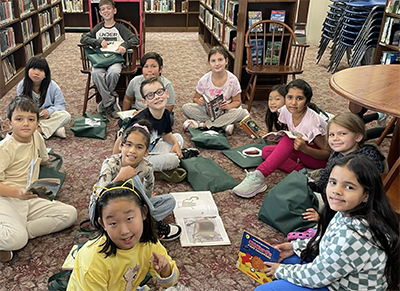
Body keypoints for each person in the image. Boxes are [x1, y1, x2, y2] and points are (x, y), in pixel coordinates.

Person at [255, 155, 400, 291]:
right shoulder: (350, 212)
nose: (336, 191)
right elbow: (328, 240)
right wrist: (295, 246)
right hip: (337, 276)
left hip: (339, 286)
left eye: (349, 187)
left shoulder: (352, 237)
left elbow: (316, 275)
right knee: (287, 259)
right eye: (333, 182)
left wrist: (280, 271)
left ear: (366, 195)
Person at [287, 112, 387, 241]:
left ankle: (322, 229)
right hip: (332, 196)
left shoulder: (363, 162)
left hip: (351, 209)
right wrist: (314, 187)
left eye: (342, 134)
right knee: (295, 192)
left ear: (358, 137)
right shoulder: (338, 152)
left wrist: (323, 216)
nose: (335, 138)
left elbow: (356, 200)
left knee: (300, 210)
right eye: (331, 134)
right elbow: (326, 177)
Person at [0, 96, 77, 263]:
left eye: (31, 119)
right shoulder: (5, 148)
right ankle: (15, 235)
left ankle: (18, 231)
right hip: (6, 198)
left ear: (37, 123)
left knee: (70, 214)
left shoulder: (37, 137)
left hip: (28, 197)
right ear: (9, 122)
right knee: (17, 239)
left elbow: (44, 160)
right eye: (19, 119)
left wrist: (46, 183)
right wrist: (16, 192)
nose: (26, 123)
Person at [67, 179, 179, 290]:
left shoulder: (148, 243)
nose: (124, 231)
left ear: (144, 212)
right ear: (103, 224)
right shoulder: (92, 263)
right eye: (113, 223)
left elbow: (169, 283)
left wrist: (166, 270)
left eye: (129, 218)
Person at [233, 79, 331, 198]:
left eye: (299, 99)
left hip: (319, 160)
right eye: (290, 97)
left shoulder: (312, 121)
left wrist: (305, 149)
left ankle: (259, 175)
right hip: (302, 153)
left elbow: (328, 154)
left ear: (307, 101)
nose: (293, 103)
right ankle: (303, 171)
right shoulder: (286, 110)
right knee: (266, 152)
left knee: (290, 139)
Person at [90, 119, 182, 241]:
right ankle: (149, 226)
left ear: (146, 152)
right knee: (132, 179)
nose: (132, 150)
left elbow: (149, 185)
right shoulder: (110, 163)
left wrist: (147, 198)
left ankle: (141, 226)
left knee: (170, 201)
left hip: (129, 208)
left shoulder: (147, 166)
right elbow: (100, 196)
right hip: (102, 212)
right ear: (121, 146)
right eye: (128, 144)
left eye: (139, 147)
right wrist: (120, 179)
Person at [80, 0, 140, 118]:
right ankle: (111, 101)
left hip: (115, 59)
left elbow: (135, 39)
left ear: (114, 10)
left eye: (108, 8)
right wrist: (97, 42)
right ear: (100, 13)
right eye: (103, 9)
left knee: (113, 73)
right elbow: (83, 38)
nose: (106, 11)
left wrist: (124, 45)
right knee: (96, 73)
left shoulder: (120, 28)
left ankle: (105, 101)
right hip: (100, 59)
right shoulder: (98, 29)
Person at [113, 77, 184, 173]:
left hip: (150, 148)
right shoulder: (141, 121)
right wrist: (115, 164)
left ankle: (151, 170)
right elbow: (121, 140)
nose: (157, 97)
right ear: (144, 102)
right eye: (150, 95)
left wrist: (175, 144)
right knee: (173, 160)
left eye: (159, 92)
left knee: (178, 138)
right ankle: (143, 170)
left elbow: (166, 134)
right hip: (136, 156)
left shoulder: (166, 113)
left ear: (166, 93)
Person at [181, 46, 246, 135]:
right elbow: (195, 98)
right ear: (209, 63)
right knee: (186, 107)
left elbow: (237, 101)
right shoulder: (204, 80)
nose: (217, 64)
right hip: (208, 111)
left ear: (226, 61)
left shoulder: (233, 80)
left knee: (239, 113)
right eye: (213, 61)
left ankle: (202, 125)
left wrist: (229, 106)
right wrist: (199, 101)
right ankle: (223, 125)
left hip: (224, 111)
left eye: (220, 60)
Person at [16, 56, 71, 139]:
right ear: (27, 70)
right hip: (31, 116)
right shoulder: (22, 86)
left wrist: (49, 111)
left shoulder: (53, 86)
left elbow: (60, 105)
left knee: (66, 116)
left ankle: (38, 130)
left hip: (49, 116)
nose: (37, 73)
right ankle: (55, 129)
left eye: (41, 70)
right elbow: (21, 105)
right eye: (33, 68)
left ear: (46, 74)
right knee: (17, 117)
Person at [122, 52, 175, 125]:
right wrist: (124, 115)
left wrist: (146, 113)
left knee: (169, 120)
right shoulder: (135, 81)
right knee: (122, 121)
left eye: (153, 66)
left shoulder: (166, 84)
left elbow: (169, 107)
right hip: (138, 111)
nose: (149, 70)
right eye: (146, 66)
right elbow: (127, 99)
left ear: (160, 69)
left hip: (158, 112)